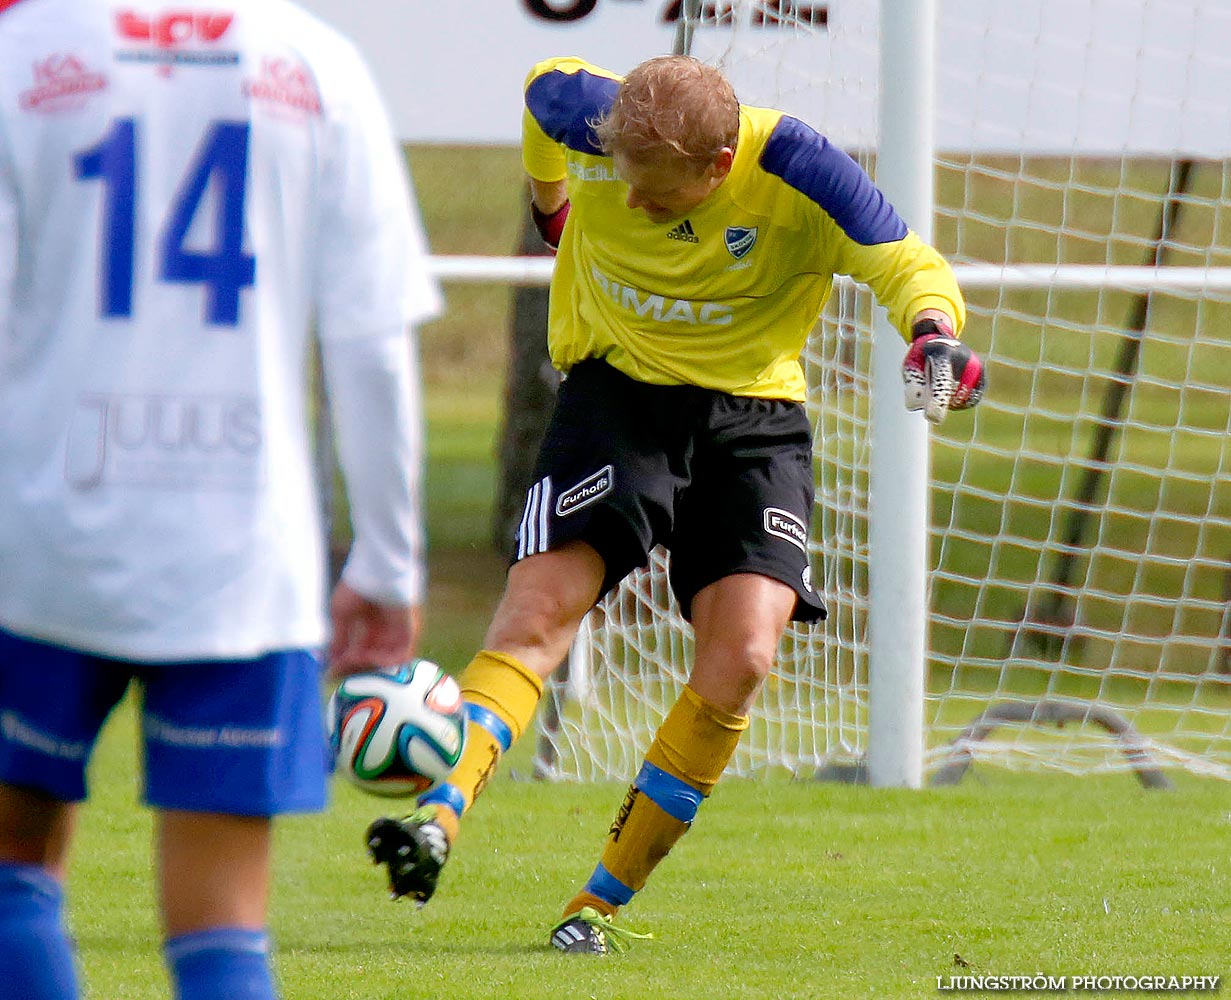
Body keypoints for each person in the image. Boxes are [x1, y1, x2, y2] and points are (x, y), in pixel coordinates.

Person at [366, 54, 985, 955]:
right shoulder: (587, 116)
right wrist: (549, 202)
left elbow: (907, 265)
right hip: (616, 398)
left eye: (665, 197)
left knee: (743, 655)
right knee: (538, 615)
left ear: (718, 163)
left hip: (755, 418)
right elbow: (542, 93)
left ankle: (594, 908)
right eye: (627, 185)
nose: (642, 207)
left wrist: (934, 336)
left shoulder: (799, 173)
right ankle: (434, 821)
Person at [0, 0, 440, 996]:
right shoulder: (317, 66)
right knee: (223, 922)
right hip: (244, 554)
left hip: (38, 541)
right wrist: (385, 559)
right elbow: (371, 343)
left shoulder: (25, 54)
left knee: (12, 869)